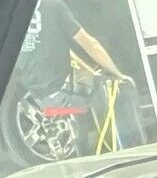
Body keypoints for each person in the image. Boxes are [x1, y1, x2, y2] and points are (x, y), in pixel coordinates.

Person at [17, 0, 147, 152]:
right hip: (61, 97)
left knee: (92, 86)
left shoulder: (13, 15)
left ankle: (86, 149)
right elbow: (90, 44)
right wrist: (118, 75)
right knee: (121, 89)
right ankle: (132, 151)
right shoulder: (52, 5)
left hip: (37, 98)